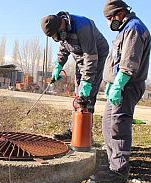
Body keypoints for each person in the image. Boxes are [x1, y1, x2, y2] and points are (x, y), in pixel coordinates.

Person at [97, 0, 151, 183]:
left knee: (118, 124)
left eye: (109, 18)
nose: (108, 22)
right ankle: (113, 162)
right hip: (119, 84)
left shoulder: (133, 29)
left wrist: (119, 84)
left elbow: (129, 64)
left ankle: (119, 170)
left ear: (120, 13)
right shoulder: (125, 29)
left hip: (127, 85)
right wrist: (111, 83)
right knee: (107, 123)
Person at [40, 11, 109, 141]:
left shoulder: (83, 27)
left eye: (56, 36)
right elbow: (63, 48)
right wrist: (58, 66)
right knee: (78, 95)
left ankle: (85, 135)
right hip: (80, 57)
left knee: (86, 96)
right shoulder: (62, 31)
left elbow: (91, 56)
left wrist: (88, 81)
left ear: (61, 26)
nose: (58, 39)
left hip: (96, 56)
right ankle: (74, 130)